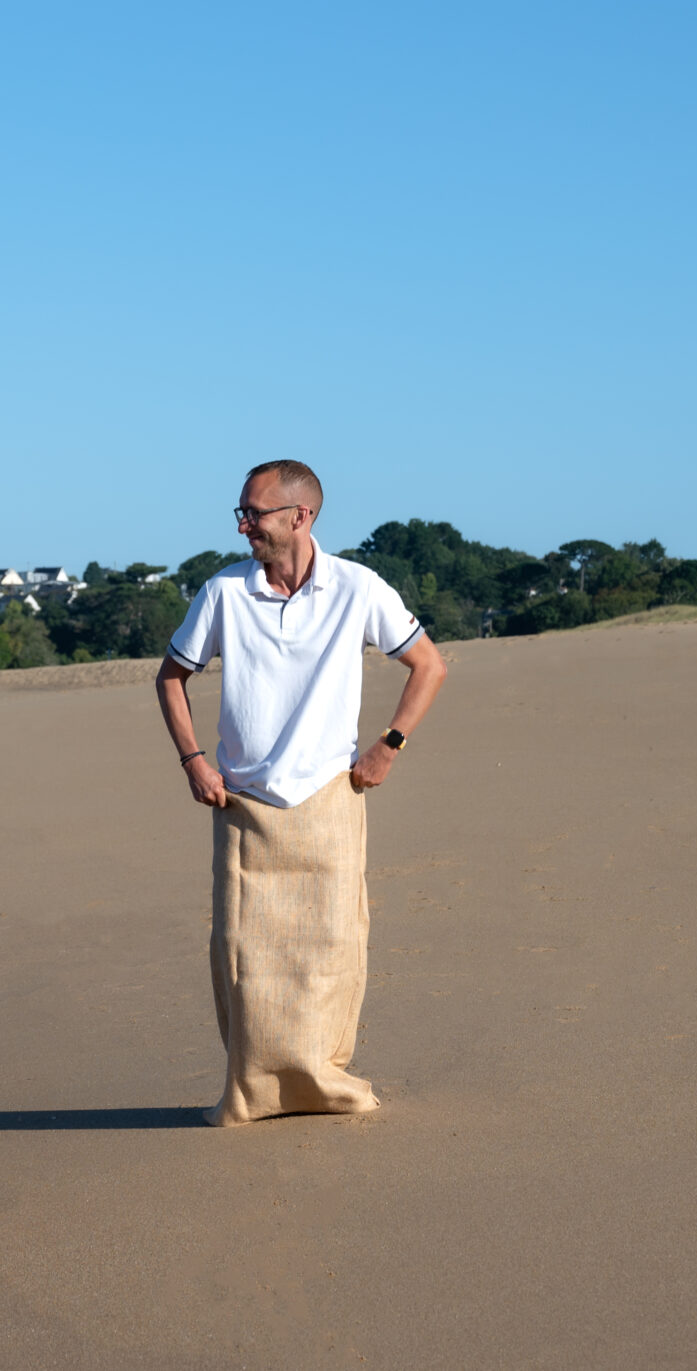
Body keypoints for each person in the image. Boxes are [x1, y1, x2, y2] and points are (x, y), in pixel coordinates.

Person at [155, 460, 448, 1126]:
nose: (243, 525)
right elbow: (170, 676)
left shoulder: (357, 586)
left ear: (300, 515)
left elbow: (428, 664)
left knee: (332, 948)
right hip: (243, 804)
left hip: (329, 797)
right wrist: (193, 760)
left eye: (254, 513)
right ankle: (251, 1091)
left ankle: (324, 1081)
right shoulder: (224, 592)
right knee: (245, 955)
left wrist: (388, 746)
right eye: (242, 512)